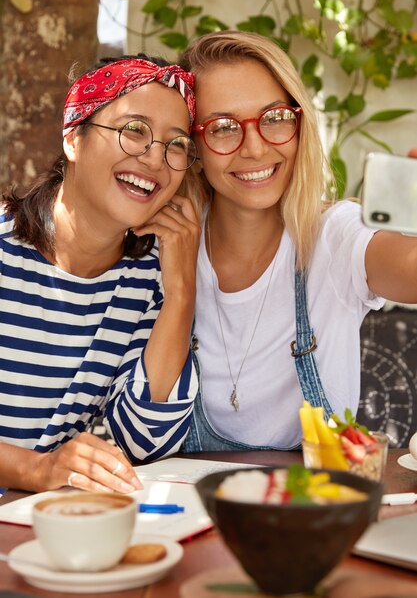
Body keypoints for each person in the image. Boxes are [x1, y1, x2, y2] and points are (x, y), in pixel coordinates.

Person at [176, 30, 417, 452]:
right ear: (193, 145)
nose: (254, 148)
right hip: (195, 510)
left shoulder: (334, 236)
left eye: (273, 118)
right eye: (223, 127)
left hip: (314, 508)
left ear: (300, 121)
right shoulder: (173, 247)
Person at [0, 55, 202, 492]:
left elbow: (145, 443)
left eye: (176, 144)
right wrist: (37, 469)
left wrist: (182, 291)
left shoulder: (152, 281)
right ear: (74, 138)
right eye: (134, 131)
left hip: (57, 530)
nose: (155, 159)